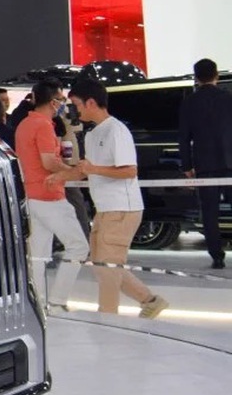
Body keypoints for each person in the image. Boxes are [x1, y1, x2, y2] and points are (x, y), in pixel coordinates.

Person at [69, 78, 169, 318]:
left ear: (90, 102)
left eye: (76, 105)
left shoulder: (117, 130)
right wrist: (60, 176)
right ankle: (150, 301)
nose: (75, 110)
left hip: (122, 208)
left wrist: (93, 169)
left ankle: (107, 318)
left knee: (108, 268)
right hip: (105, 208)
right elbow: (87, 169)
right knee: (103, 265)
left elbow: (129, 170)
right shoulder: (92, 134)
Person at [14, 79, 89, 312]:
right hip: (49, 196)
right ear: (54, 101)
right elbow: (48, 161)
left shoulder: (25, 124)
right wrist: (73, 171)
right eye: (61, 99)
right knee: (78, 246)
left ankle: (37, 302)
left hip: (31, 195)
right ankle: (57, 300)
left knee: (38, 254)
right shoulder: (43, 125)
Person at [178, 58, 232, 269]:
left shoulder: (189, 102)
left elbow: (184, 137)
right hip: (230, 163)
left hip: (205, 165)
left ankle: (217, 256)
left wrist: (187, 166)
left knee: (210, 212)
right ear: (216, 75)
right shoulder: (228, 98)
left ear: (196, 78)